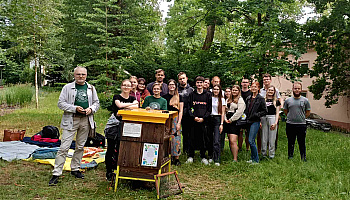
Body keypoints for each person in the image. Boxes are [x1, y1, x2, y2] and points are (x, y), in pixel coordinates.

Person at [49, 66, 100, 186]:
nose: (81, 76)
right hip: (71, 119)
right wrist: (74, 108)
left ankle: (75, 168)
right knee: (64, 147)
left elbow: (96, 103)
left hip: (86, 120)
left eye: (83, 74)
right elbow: (60, 103)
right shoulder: (67, 87)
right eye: (78, 74)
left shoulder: (91, 88)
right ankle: (56, 173)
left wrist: (91, 109)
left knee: (80, 146)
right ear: (74, 75)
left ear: (86, 75)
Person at [106, 79, 139, 180]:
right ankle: (109, 170)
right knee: (111, 147)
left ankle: (119, 167)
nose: (126, 87)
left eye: (128, 85)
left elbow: (136, 106)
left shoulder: (133, 97)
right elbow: (119, 105)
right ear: (121, 86)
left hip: (127, 125)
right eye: (124, 85)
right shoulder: (117, 97)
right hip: (114, 125)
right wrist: (130, 106)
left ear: (131, 87)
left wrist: (124, 108)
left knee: (122, 147)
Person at [186, 76, 212, 165]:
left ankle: (203, 156)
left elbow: (209, 109)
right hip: (193, 120)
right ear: (195, 84)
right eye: (198, 83)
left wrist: (203, 118)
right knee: (192, 138)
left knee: (203, 139)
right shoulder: (192, 95)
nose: (199, 84)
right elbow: (189, 108)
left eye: (201, 82)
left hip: (204, 121)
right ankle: (191, 156)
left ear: (204, 83)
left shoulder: (208, 95)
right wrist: (193, 117)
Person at [283, 82, 311, 161]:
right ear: (292, 89)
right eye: (295, 88)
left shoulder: (305, 100)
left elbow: (308, 112)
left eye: (298, 88)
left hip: (301, 124)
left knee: (301, 142)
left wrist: (301, 117)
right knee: (290, 141)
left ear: (301, 90)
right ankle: (290, 156)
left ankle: (303, 157)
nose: (297, 90)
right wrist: (290, 116)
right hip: (290, 124)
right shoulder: (288, 100)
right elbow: (285, 111)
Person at [244, 81, 267, 164]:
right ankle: (252, 158)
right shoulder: (249, 98)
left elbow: (264, 111)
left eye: (255, 87)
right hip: (248, 121)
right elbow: (246, 109)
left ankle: (256, 160)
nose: (253, 88)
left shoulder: (260, 98)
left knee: (251, 140)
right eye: (252, 86)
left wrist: (256, 115)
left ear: (258, 88)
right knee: (250, 140)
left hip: (255, 121)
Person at [162, 79, 184, 166]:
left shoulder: (180, 97)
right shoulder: (164, 97)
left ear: (175, 86)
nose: (171, 86)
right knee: (167, 137)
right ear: (168, 86)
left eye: (173, 85)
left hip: (176, 119)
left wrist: (179, 122)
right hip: (167, 119)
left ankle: (176, 158)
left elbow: (181, 111)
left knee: (176, 138)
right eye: (170, 84)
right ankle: (168, 156)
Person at [260, 73, 283, 150]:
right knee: (263, 135)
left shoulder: (275, 90)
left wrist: (279, 111)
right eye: (264, 79)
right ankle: (262, 151)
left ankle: (272, 151)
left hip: (273, 115)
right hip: (263, 116)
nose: (266, 81)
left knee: (273, 135)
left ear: (270, 80)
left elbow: (279, 99)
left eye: (267, 79)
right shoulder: (261, 91)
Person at [225, 85, 246, 162]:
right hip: (227, 120)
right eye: (233, 90)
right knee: (230, 139)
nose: (234, 92)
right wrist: (225, 119)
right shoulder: (228, 99)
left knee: (233, 140)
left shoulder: (240, 100)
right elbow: (224, 109)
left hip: (234, 121)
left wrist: (231, 119)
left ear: (239, 91)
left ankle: (235, 159)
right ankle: (232, 155)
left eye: (236, 90)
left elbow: (239, 112)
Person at [261, 85, 280, 159]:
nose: (270, 91)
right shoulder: (263, 100)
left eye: (272, 90)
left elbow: (277, 113)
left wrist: (275, 123)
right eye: (269, 90)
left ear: (274, 92)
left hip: (272, 118)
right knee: (264, 137)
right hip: (263, 118)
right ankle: (263, 154)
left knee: (272, 137)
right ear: (267, 91)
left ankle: (271, 155)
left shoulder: (276, 101)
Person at [209, 84, 226, 166]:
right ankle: (211, 157)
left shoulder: (222, 100)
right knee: (210, 139)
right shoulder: (210, 98)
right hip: (210, 119)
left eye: (217, 89)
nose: (215, 91)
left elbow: (223, 113)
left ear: (220, 91)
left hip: (217, 119)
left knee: (216, 140)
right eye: (214, 89)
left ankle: (217, 159)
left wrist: (221, 124)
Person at [177, 72, 194, 155]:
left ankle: (187, 150)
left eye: (183, 78)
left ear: (186, 78)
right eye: (180, 79)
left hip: (188, 114)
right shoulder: (176, 90)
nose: (182, 80)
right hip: (178, 113)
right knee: (179, 132)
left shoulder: (191, 90)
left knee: (188, 132)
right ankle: (177, 149)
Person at [238, 78, 251, 151]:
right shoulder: (239, 92)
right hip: (240, 113)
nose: (245, 84)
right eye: (243, 82)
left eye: (246, 82)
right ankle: (239, 147)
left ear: (249, 84)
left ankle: (247, 148)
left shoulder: (251, 92)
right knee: (240, 132)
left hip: (248, 114)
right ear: (241, 83)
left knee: (247, 132)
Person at [221, 87, 232, 151]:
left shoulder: (233, 100)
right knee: (222, 135)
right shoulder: (222, 99)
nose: (227, 93)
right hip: (223, 119)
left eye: (229, 91)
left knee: (230, 136)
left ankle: (231, 149)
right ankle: (221, 148)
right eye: (226, 91)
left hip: (230, 119)